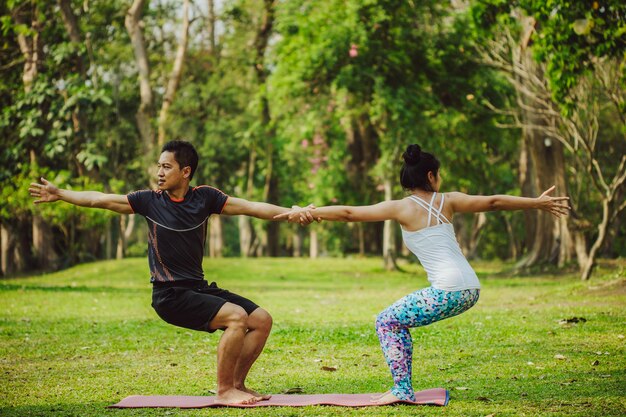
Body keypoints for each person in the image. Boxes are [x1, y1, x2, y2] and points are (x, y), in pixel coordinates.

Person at [275, 144, 570, 404]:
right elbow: (493, 202)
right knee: (392, 321)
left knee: (386, 321)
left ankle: (402, 389)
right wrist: (536, 203)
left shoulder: (402, 207)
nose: (440, 179)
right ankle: (402, 387)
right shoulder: (449, 200)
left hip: (449, 289)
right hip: (469, 288)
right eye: (438, 174)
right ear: (431, 176)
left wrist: (311, 212)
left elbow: (351, 213)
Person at [29, 140, 314, 405]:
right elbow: (99, 199)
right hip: (170, 295)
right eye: (159, 166)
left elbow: (251, 207)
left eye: (166, 166)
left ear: (186, 171)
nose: (159, 172)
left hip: (198, 288)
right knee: (237, 317)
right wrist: (61, 194)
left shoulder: (205, 198)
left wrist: (292, 211)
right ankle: (224, 390)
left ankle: (237, 385)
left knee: (261, 320)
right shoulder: (149, 201)